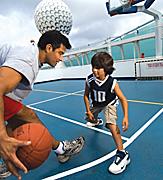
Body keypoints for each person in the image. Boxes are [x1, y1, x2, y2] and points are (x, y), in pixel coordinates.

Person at [0, 30, 85, 180]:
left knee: (19, 120)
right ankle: (61, 149)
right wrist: (2, 137)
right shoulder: (26, 60)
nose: (61, 58)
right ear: (48, 48)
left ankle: (59, 149)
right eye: (60, 53)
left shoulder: (31, 56)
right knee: (27, 115)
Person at [84, 52, 130, 174]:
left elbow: (123, 99)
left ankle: (122, 154)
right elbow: (85, 95)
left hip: (109, 103)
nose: (94, 70)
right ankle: (97, 120)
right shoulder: (89, 80)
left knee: (111, 125)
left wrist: (125, 117)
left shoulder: (112, 82)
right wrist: (89, 111)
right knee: (89, 118)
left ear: (107, 69)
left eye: (98, 68)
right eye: (93, 67)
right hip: (97, 104)